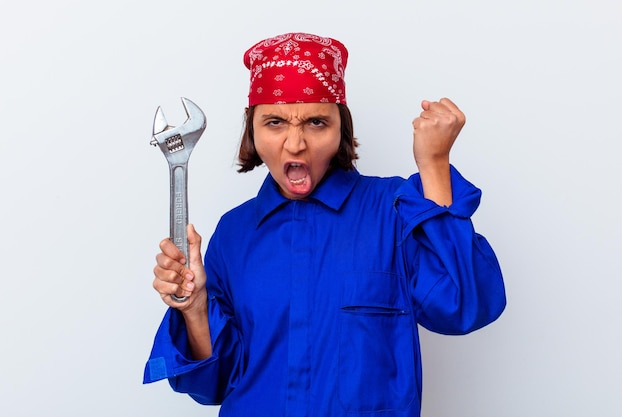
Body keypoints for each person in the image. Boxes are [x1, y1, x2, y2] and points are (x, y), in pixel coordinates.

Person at [144, 32, 506, 417]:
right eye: (275, 122)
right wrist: (196, 307)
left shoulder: (394, 211)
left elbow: (466, 306)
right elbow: (213, 384)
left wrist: (434, 164)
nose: (295, 144)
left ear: (341, 130)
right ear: (252, 131)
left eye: (316, 122)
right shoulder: (233, 233)